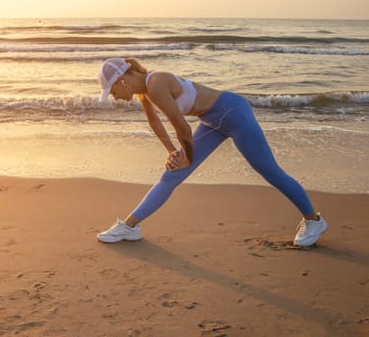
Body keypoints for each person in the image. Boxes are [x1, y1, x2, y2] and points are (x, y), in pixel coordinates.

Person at [95, 57, 328, 247]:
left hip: (232, 113)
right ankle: (129, 227)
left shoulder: (156, 83)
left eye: (112, 90)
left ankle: (313, 220)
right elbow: (155, 123)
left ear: (123, 79)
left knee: (269, 171)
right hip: (210, 120)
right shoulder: (145, 91)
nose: (114, 96)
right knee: (171, 175)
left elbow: (182, 128)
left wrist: (187, 157)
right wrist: (173, 153)